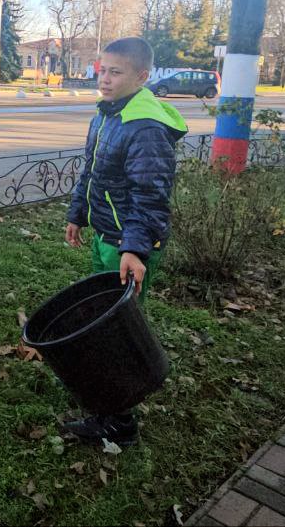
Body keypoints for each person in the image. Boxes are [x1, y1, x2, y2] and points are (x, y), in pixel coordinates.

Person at [61, 37, 187, 446]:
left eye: (116, 72)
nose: (105, 79)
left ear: (142, 76)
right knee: (103, 322)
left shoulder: (145, 127)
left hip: (129, 244)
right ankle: (107, 400)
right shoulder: (106, 115)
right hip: (107, 236)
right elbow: (91, 172)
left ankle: (120, 421)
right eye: (102, 69)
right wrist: (77, 214)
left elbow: (150, 197)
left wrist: (133, 249)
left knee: (118, 329)